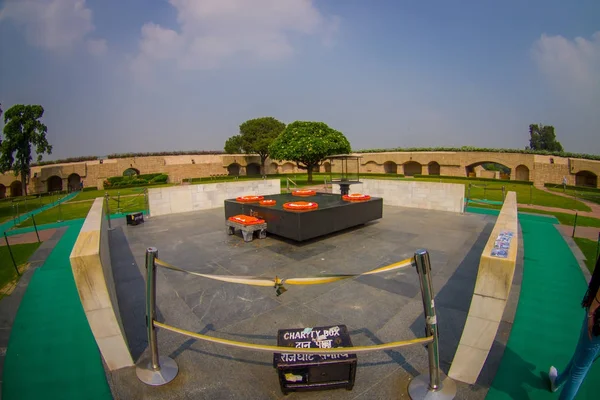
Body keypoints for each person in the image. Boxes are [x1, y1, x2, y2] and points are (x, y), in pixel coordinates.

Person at [548, 255, 600, 399]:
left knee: (580, 368)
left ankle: (558, 383)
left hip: (598, 315)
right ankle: (557, 381)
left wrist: (593, 310)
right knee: (583, 356)